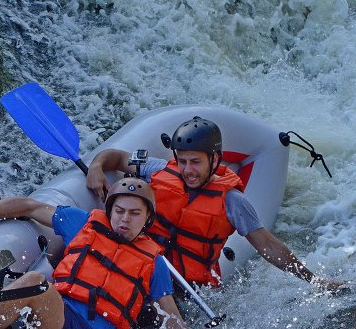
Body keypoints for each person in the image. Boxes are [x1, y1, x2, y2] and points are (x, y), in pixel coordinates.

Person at [0, 178, 191, 329]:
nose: (124, 219)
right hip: (60, 318)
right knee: (34, 283)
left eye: (134, 213)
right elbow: (29, 206)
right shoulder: (82, 223)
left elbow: (172, 319)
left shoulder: (155, 263)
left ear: (148, 218)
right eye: (119, 211)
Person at [86, 116, 341, 290]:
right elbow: (116, 157)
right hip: (142, 264)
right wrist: (97, 166)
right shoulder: (159, 170)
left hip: (184, 287)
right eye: (183, 161)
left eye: (195, 162)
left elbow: (268, 246)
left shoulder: (233, 201)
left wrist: (314, 280)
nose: (188, 170)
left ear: (215, 159)